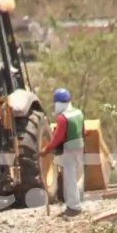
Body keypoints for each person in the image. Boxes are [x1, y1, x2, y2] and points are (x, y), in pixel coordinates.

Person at [40, 88, 85, 217]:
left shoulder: (63, 118)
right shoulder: (78, 113)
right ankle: (78, 203)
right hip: (80, 148)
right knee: (77, 178)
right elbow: (83, 131)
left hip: (69, 151)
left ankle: (73, 207)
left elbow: (57, 139)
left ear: (58, 103)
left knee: (70, 180)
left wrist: (46, 150)